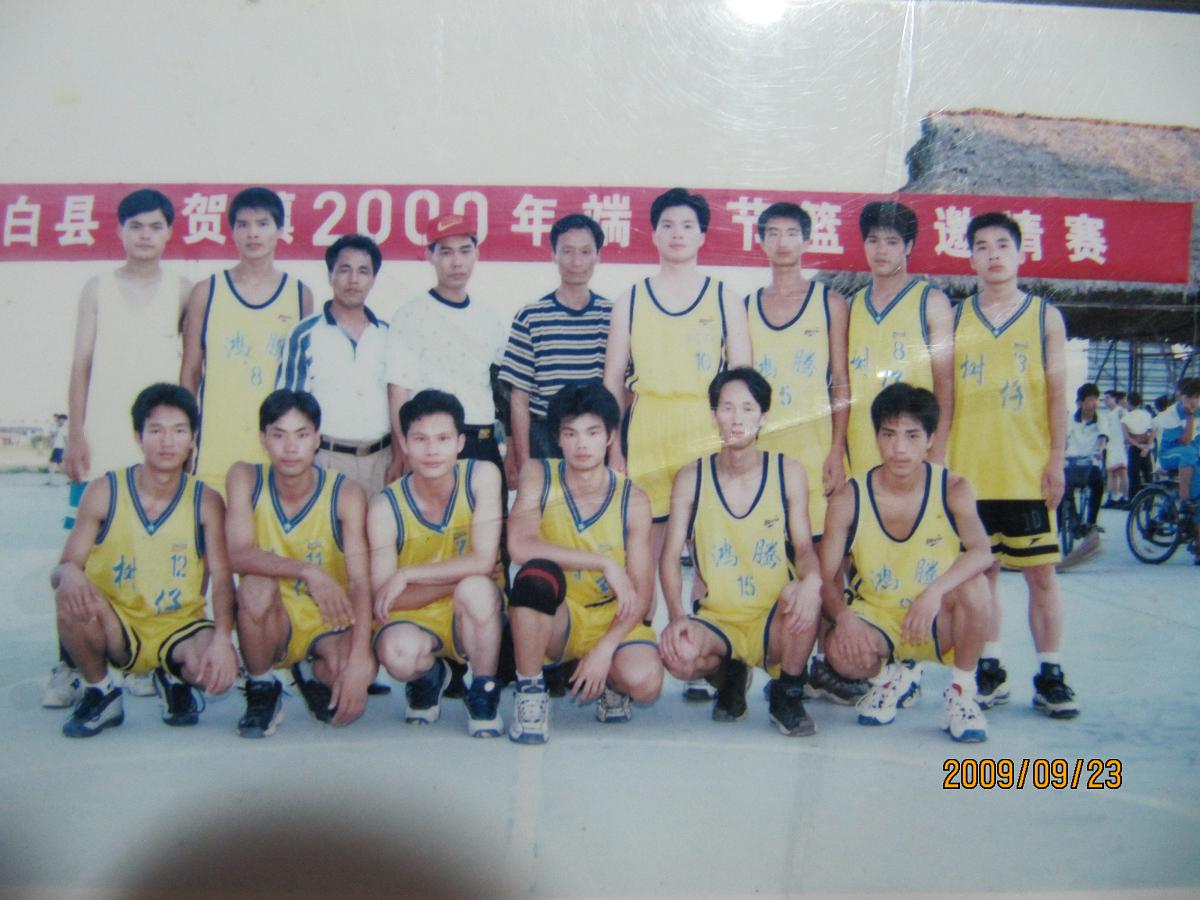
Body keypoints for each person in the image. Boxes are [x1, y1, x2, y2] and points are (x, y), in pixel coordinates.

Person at [45, 189, 191, 709]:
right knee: (81, 558)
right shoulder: (98, 287)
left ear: (169, 232)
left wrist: (185, 439)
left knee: (150, 552)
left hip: (160, 444)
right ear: (120, 231)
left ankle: (141, 662)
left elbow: (190, 371)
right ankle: (70, 665)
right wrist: (76, 435)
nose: (145, 235)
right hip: (104, 441)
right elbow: (81, 364)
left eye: (155, 226)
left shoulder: (183, 290)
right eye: (135, 226)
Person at [51, 383, 238, 737]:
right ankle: (101, 691)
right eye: (156, 430)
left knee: (219, 674)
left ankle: (172, 677)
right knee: (70, 593)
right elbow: (63, 567)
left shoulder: (206, 500)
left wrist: (222, 639)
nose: (168, 442)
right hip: (117, 624)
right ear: (138, 436)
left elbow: (222, 577)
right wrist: (69, 574)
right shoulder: (104, 491)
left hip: (179, 625)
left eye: (179, 431)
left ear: (192, 439)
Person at [949, 211, 1078, 719]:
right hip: (970, 472)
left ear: (1021, 253)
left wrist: (1056, 459)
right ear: (971, 258)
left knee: (1041, 576)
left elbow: (1058, 394)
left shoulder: (1045, 316)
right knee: (982, 576)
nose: (993, 254)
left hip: (1027, 471)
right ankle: (990, 667)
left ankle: (1051, 673)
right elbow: (945, 396)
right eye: (982, 246)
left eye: (1003, 244)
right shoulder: (955, 317)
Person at [819, 383, 993, 742]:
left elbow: (981, 552)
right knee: (839, 651)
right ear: (876, 438)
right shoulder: (849, 497)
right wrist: (844, 618)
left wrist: (934, 593)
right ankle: (888, 680)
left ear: (930, 439)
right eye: (889, 435)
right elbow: (826, 575)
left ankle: (961, 692)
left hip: (934, 616)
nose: (899, 448)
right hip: (879, 616)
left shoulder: (953, 488)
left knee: (976, 586)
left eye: (912, 436)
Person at [658, 368, 823, 736]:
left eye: (748, 409)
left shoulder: (787, 472)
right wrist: (676, 616)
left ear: (764, 417)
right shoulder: (691, 478)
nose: (737, 419)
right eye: (727, 408)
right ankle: (729, 675)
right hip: (717, 617)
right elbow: (669, 556)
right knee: (678, 656)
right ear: (713, 414)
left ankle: (787, 693)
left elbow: (804, 548)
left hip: (772, 617)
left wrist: (812, 581)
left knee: (806, 594)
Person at [745, 201, 863, 705]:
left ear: (807, 239)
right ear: (761, 241)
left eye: (791, 232)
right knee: (769, 560)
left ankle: (821, 666)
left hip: (816, 453)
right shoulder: (746, 306)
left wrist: (836, 447)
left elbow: (841, 379)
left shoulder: (829, 303)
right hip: (765, 458)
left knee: (825, 564)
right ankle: (748, 661)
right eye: (772, 233)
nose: (782, 242)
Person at [505, 381, 663, 743]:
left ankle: (611, 681)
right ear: (557, 438)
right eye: (570, 433)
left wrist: (605, 649)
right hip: (560, 616)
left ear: (610, 437)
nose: (581, 444)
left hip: (611, 614)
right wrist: (602, 562)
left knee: (645, 683)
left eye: (592, 433)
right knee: (533, 578)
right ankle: (530, 692)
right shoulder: (538, 475)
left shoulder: (633, 498)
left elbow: (641, 592)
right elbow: (519, 545)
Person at [225, 390, 375, 737]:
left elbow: (360, 582)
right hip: (274, 613)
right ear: (263, 439)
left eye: (302, 435)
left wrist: (359, 660)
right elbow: (237, 553)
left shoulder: (345, 493)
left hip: (328, 615)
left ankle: (308, 673)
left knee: (355, 675)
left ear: (317, 439)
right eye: (279, 435)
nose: (290, 447)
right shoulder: (245, 478)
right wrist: (308, 571)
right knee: (254, 587)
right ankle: (262, 686)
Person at [368, 390, 506, 737]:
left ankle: (483, 688)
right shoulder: (385, 506)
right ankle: (429, 675)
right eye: (421, 439)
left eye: (443, 439)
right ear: (403, 443)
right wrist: (453, 582)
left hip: (472, 609)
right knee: (397, 653)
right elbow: (386, 599)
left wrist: (409, 574)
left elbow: (484, 560)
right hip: (416, 615)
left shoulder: (482, 475)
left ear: (460, 442)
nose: (432, 450)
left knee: (476, 590)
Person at [181, 187, 313, 499]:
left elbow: (303, 380)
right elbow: (190, 371)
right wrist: (186, 438)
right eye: (243, 224)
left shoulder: (299, 295)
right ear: (232, 231)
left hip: (276, 454)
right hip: (214, 448)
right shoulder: (206, 292)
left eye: (263, 224)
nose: (253, 233)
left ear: (279, 230)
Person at [384, 214, 510, 482]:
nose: (456, 262)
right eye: (446, 252)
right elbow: (398, 391)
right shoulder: (410, 315)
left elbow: (502, 388)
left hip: (482, 443)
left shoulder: (489, 318)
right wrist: (403, 452)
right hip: (432, 448)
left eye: (465, 251)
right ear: (430, 255)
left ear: (476, 253)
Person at [277, 234, 392, 496]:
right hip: (325, 459)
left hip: (382, 461)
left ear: (373, 279)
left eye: (363, 271)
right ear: (330, 275)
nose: (353, 280)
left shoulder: (389, 335)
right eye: (344, 269)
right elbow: (288, 407)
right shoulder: (305, 334)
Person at [498, 214, 612, 479]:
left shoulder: (612, 316)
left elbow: (621, 389)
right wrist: (525, 464)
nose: (576, 262)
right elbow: (519, 398)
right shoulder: (531, 317)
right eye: (567, 251)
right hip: (545, 435)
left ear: (598, 256)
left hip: (595, 437)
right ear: (553, 255)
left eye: (585, 252)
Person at [846, 201, 954, 478]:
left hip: (912, 448)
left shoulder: (931, 302)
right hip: (861, 443)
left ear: (909, 246)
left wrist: (938, 449)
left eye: (892, 242)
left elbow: (944, 382)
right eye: (873, 240)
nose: (881, 250)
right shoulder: (852, 306)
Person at [1154, 377, 1200, 561]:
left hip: (1192, 458)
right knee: (1188, 453)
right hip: (1169, 456)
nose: (1193, 401)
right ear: (1181, 396)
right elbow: (1186, 441)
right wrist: (1190, 417)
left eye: (1197, 397)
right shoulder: (1171, 414)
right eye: (1190, 397)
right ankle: (1184, 498)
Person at [1062, 382, 1106, 565]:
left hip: (1090, 461)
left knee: (1098, 482)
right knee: (1065, 488)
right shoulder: (1070, 420)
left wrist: (1100, 450)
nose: (1093, 403)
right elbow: (1065, 438)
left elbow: (1103, 437)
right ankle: (1071, 520)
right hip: (1071, 460)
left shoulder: (1101, 419)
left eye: (1096, 399)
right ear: (1080, 402)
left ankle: (1091, 522)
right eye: (1090, 400)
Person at [1100, 389, 1129, 508]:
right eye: (1104, 399)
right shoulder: (1107, 413)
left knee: (1122, 472)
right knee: (1111, 473)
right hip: (1111, 445)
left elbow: (1126, 428)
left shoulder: (1121, 411)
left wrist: (1126, 442)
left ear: (1114, 399)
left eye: (1108, 398)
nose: (1105, 401)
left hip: (1119, 445)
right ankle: (1113, 498)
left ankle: (1126, 498)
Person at [1123, 391, 1155, 497]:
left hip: (1134, 448)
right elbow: (1152, 431)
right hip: (1146, 447)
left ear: (1128, 402)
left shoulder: (1126, 417)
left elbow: (1127, 438)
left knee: (1133, 478)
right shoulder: (1147, 415)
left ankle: (1134, 501)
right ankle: (1149, 502)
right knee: (1148, 476)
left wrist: (1138, 446)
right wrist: (1146, 447)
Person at [46, 414, 68, 485]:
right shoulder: (56, 427)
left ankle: (51, 481)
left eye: (63, 420)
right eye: (60, 419)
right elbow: (52, 436)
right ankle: (51, 481)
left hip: (59, 448)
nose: (61, 421)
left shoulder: (63, 429)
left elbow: (65, 439)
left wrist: (67, 448)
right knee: (56, 465)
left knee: (54, 464)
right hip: (56, 448)